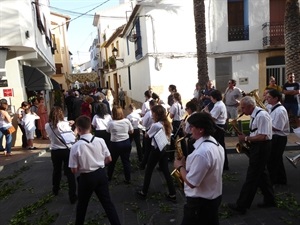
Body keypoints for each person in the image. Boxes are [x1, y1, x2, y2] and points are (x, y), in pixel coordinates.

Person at [68, 115, 121, 225]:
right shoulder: (100, 140)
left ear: (78, 129)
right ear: (90, 127)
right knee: (107, 203)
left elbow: (73, 170)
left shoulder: (75, 146)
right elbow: (109, 159)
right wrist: (99, 163)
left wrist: (82, 165)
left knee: (82, 205)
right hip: (101, 174)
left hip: (86, 177)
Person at [173, 112, 224, 225]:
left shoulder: (202, 152)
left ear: (201, 129)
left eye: (191, 127)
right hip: (213, 198)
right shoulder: (216, 144)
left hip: (200, 204)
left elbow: (192, 182)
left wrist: (180, 166)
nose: (189, 130)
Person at [228, 96, 275, 214]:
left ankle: (242, 205)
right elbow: (257, 132)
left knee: (252, 177)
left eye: (243, 108)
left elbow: (263, 136)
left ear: (250, 106)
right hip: (258, 146)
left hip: (262, 146)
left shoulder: (262, 116)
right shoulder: (254, 115)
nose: (242, 111)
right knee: (262, 174)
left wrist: (246, 138)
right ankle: (270, 200)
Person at [136, 105, 176, 201]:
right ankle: (172, 193)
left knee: (149, 170)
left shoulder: (155, 125)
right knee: (166, 171)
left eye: (153, 113)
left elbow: (147, 136)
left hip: (156, 149)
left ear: (157, 114)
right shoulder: (168, 123)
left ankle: (144, 192)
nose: (152, 115)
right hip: (165, 148)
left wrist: (146, 131)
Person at [45, 106, 77, 204]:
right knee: (70, 174)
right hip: (66, 150)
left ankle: (55, 189)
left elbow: (57, 128)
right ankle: (72, 196)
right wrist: (76, 130)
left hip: (55, 151)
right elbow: (72, 137)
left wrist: (68, 123)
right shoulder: (64, 124)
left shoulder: (47, 125)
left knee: (56, 171)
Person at [266, 89, 290, 185]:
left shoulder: (280, 111)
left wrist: (265, 124)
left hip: (279, 138)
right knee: (277, 159)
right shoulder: (272, 107)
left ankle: (274, 181)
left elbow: (278, 128)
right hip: (275, 137)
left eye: (269, 97)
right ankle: (281, 180)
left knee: (273, 160)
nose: (267, 99)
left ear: (276, 98)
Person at [106, 106, 133, 183]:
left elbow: (108, 131)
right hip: (126, 142)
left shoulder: (111, 123)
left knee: (112, 162)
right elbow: (131, 131)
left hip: (115, 144)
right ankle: (128, 179)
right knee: (126, 161)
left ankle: (109, 177)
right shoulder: (127, 121)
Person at [204, 89, 229, 170]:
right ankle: (224, 165)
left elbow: (213, 118)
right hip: (221, 126)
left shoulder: (218, 105)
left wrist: (207, 111)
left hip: (218, 127)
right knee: (221, 145)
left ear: (214, 97)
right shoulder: (219, 104)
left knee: (217, 146)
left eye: (211, 97)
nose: (210, 99)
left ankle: (221, 165)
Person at [139, 100, 157, 170]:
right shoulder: (158, 112)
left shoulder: (149, 113)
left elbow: (144, 124)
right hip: (156, 132)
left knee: (147, 149)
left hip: (149, 130)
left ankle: (143, 164)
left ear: (150, 105)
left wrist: (141, 122)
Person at [169, 92, 187, 159]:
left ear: (174, 98)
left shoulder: (174, 105)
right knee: (182, 140)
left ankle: (171, 156)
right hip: (180, 121)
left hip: (176, 122)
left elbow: (171, 116)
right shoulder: (181, 104)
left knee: (173, 139)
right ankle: (186, 154)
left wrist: (170, 111)